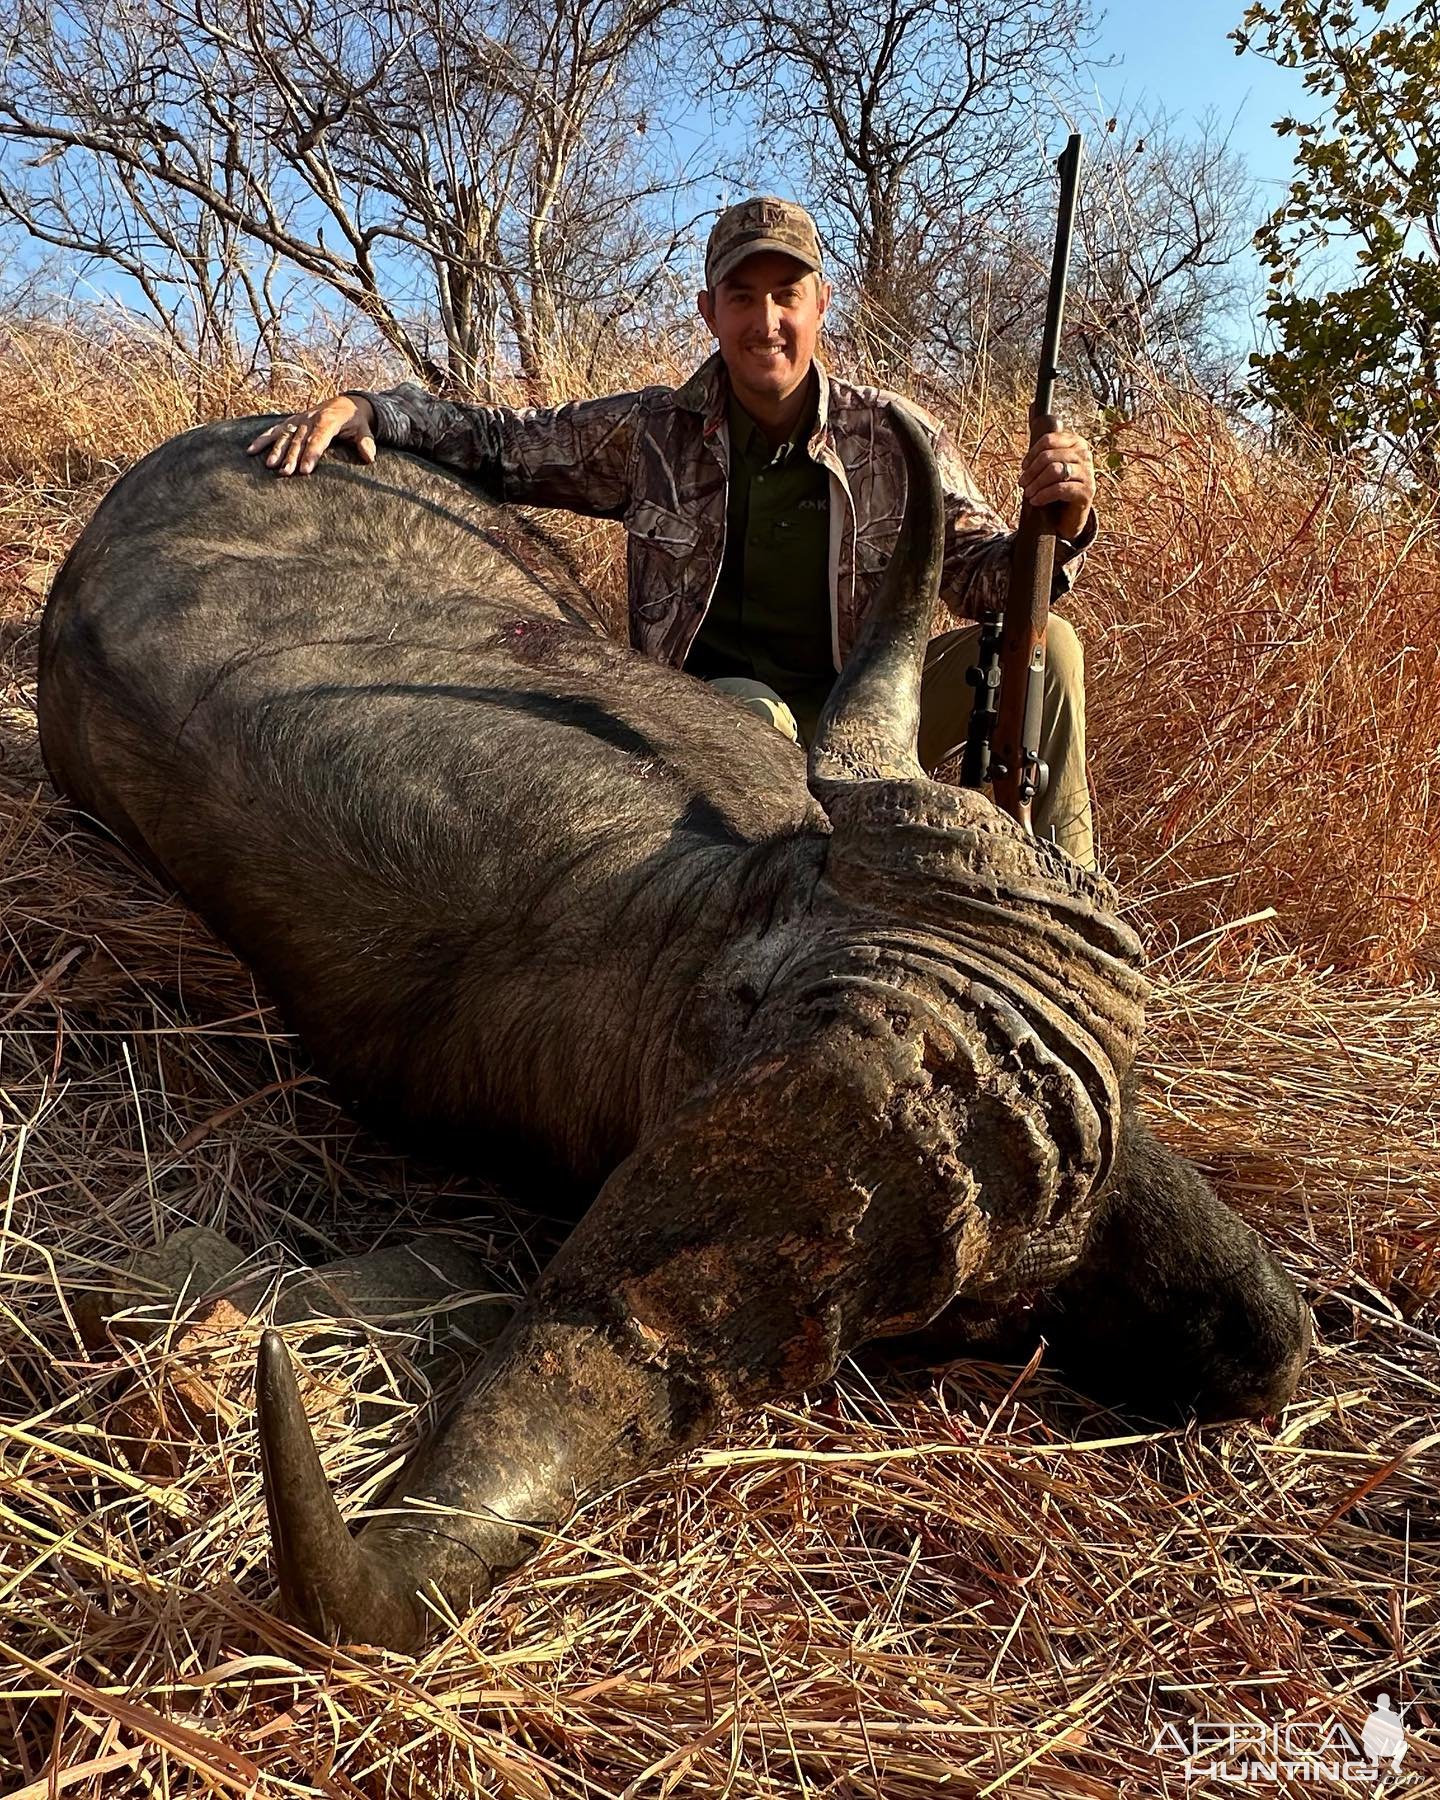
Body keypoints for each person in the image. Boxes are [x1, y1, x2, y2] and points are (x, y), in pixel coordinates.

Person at [247, 196, 1100, 866]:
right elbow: (504, 442)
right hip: (717, 725)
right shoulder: (652, 431)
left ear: (821, 306)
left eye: (786, 296)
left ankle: (1070, 896)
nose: (765, 320)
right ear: (709, 311)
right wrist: (371, 409)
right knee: (752, 712)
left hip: (870, 718)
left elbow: (987, 579)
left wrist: (1055, 523)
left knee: (1049, 650)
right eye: (742, 297)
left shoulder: (896, 436)